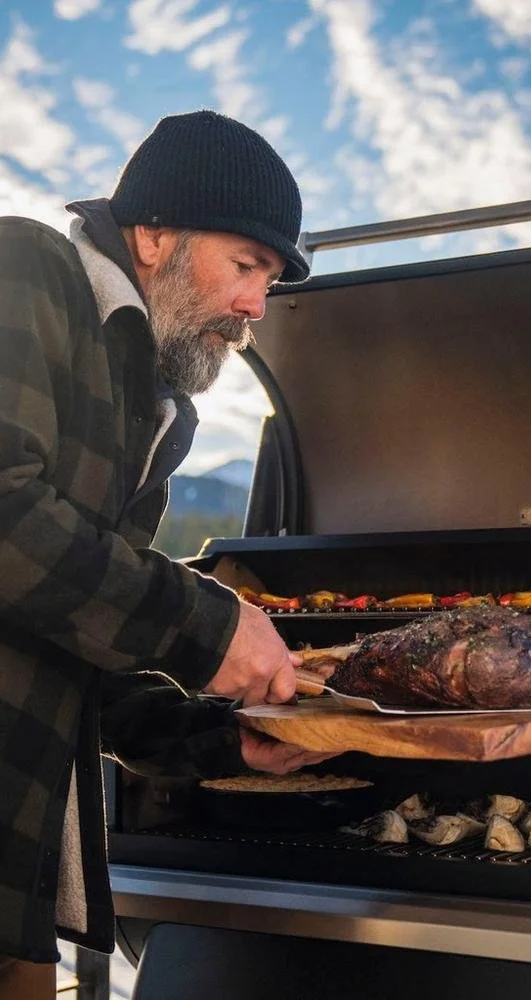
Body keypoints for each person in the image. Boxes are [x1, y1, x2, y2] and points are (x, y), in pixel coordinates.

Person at [0, 109, 334, 996]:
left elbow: (88, 641)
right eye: (247, 265)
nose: (257, 307)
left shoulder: (157, 414)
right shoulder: (23, 268)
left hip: (19, 863)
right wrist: (209, 621)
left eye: (269, 280)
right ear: (153, 235)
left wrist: (223, 737)